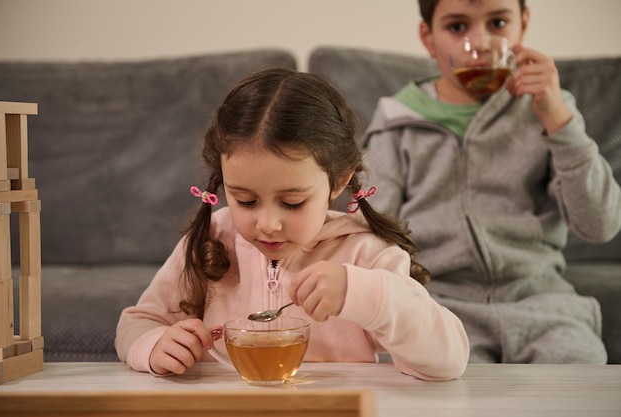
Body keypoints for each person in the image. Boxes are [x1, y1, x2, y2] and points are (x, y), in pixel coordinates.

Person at [115, 67, 469, 381]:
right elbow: (137, 322)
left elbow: (449, 361)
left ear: (338, 182)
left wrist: (366, 294)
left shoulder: (367, 255)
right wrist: (153, 345)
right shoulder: (213, 238)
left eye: (292, 203)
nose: (268, 224)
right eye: (245, 201)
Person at [363, 0, 621, 363]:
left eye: (498, 22)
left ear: (523, 24)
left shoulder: (548, 109)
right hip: (440, 311)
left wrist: (559, 122)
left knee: (579, 384)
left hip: (542, 306)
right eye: (457, 27)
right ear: (428, 37)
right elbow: (374, 231)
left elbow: (600, 225)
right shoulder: (396, 120)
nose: (481, 42)